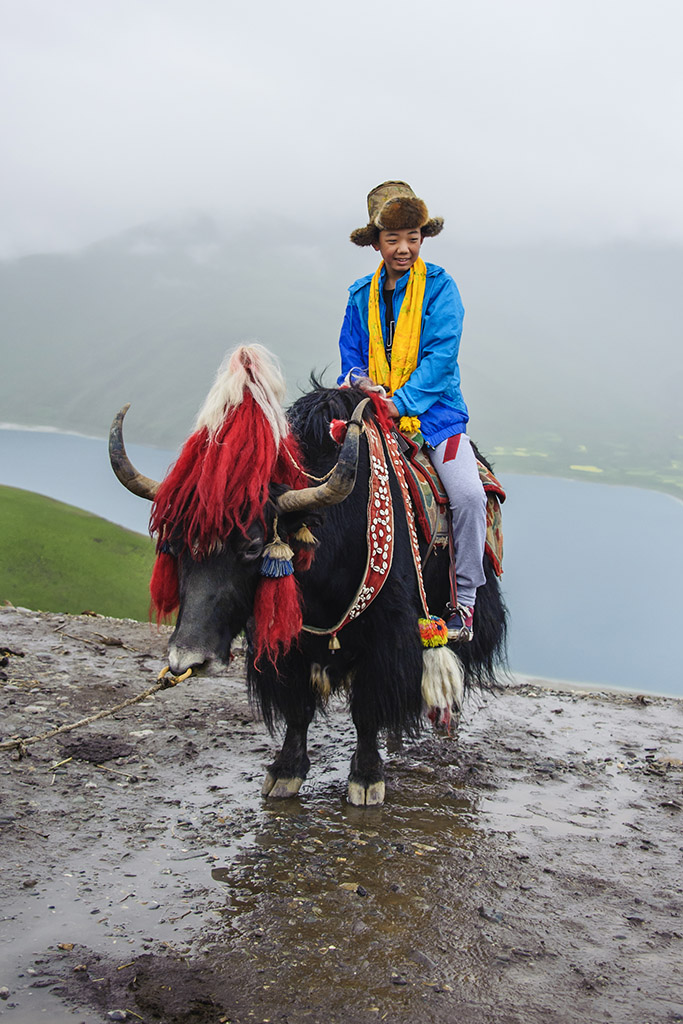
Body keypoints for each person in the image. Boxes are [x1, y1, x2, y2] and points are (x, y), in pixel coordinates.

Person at [337, 180, 486, 641]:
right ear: (376, 242)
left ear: (423, 237)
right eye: (392, 239)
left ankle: (464, 603)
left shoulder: (442, 290)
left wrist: (396, 403)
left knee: (469, 497)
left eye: (413, 238)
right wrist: (361, 382)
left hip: (436, 417)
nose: (403, 249)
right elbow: (350, 357)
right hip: (373, 410)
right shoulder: (361, 295)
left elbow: (440, 362)